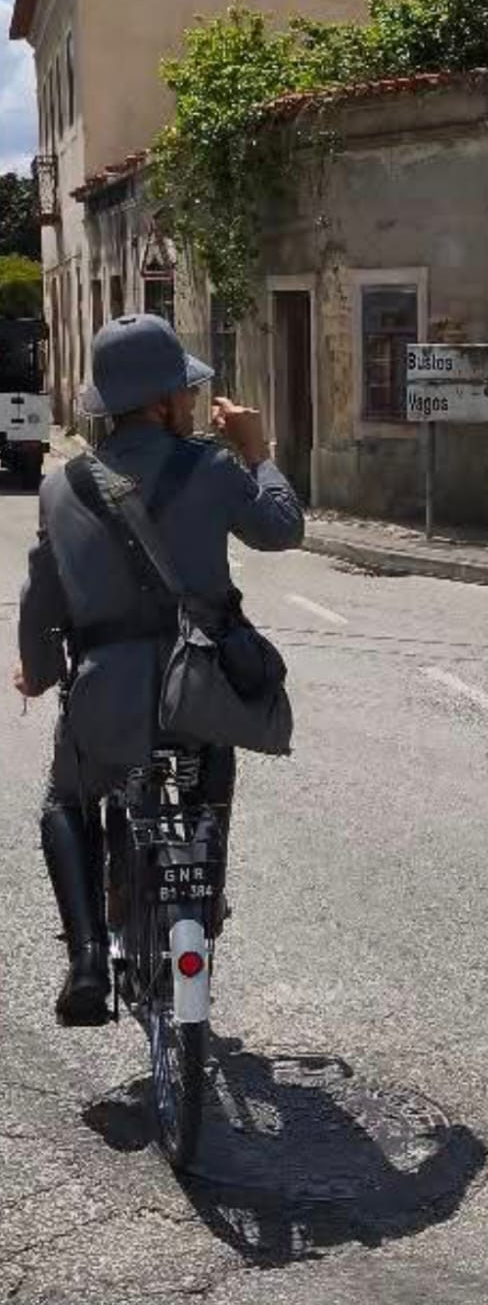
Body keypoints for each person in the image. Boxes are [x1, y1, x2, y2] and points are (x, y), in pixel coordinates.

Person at [13, 313, 304, 1026]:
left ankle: (86, 959)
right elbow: (282, 527)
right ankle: (203, 893)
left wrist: (40, 670)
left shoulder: (63, 487)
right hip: (198, 687)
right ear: (164, 401)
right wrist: (258, 452)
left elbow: (40, 597)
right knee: (211, 766)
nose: (195, 406)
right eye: (186, 393)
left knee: (67, 801)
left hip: (106, 694)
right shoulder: (211, 464)